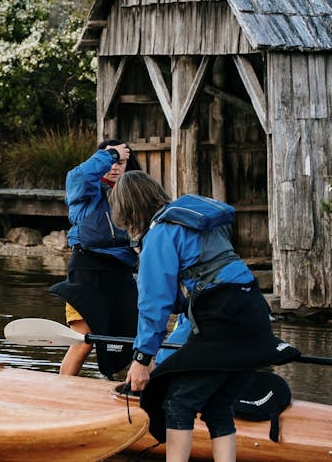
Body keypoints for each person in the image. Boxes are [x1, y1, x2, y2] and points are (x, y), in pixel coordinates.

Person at [109, 170, 299, 462]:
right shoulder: (195, 224)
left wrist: (142, 359)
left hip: (223, 318)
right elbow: (193, 301)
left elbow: (152, 305)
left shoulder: (160, 233)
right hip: (253, 311)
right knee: (218, 406)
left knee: (178, 404)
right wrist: (162, 358)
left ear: (129, 210)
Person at [48, 139, 138, 377]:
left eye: (121, 162)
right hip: (87, 268)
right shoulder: (85, 192)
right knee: (84, 340)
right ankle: (63, 393)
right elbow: (77, 176)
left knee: (128, 342)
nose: (115, 166)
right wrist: (109, 154)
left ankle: (124, 395)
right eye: (112, 161)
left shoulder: (134, 196)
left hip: (121, 272)